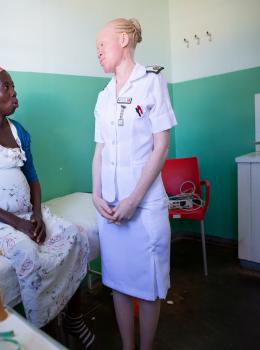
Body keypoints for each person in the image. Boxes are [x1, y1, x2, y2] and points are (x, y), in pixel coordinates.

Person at [0, 66, 95, 349]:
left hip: (26, 214)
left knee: (76, 236)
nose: (14, 92)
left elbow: (32, 178)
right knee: (27, 252)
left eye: (12, 86)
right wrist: (17, 224)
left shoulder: (19, 131)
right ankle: (42, 330)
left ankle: (73, 318)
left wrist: (36, 215)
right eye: (6, 87)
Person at [92, 18, 177, 350]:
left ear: (124, 40)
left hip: (142, 206)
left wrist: (133, 200)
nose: (97, 52)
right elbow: (99, 150)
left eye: (102, 44)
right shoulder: (102, 97)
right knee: (118, 283)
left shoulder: (151, 82)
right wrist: (97, 194)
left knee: (149, 284)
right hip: (111, 207)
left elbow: (161, 146)